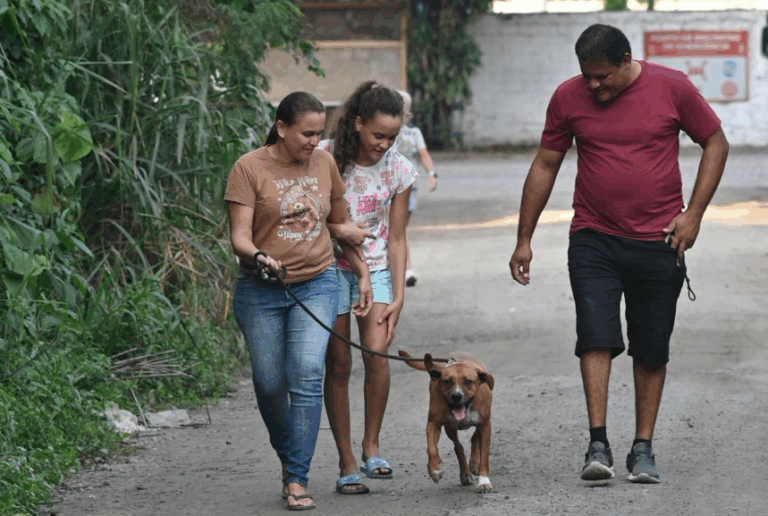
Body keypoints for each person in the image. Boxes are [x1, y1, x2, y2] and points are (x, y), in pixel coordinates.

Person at [509, 24, 729, 484]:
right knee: (595, 334)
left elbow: (715, 142)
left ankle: (642, 448)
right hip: (593, 236)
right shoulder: (567, 98)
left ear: (626, 60)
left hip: (659, 239)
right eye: (586, 76)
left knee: (651, 347)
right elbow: (546, 163)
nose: (592, 86)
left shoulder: (673, 87)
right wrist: (524, 237)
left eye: (601, 77)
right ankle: (598, 443)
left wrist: (694, 215)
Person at [225, 91, 372, 511]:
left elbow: (339, 223)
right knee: (270, 384)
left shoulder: (324, 163)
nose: (315, 141)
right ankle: (290, 456)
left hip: (318, 280)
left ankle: (296, 477)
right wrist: (258, 256)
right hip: (260, 288)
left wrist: (361, 271)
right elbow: (239, 236)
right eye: (307, 133)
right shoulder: (249, 168)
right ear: (281, 127)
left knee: (307, 374)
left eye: (319, 133)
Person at [317, 81, 418, 495]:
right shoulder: (325, 156)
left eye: (392, 137)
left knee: (378, 356)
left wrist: (398, 295)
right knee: (339, 364)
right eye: (378, 135)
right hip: (327, 267)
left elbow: (396, 238)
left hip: (375, 268)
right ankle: (345, 460)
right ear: (358, 123)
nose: (384, 145)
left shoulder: (399, 169)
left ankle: (371, 445)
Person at [391, 90, 438, 287]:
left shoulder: (414, 132)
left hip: (409, 187)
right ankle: (400, 268)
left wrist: (432, 174)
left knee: (398, 230)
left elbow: (423, 154)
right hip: (387, 187)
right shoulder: (385, 128)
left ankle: (404, 268)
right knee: (392, 230)